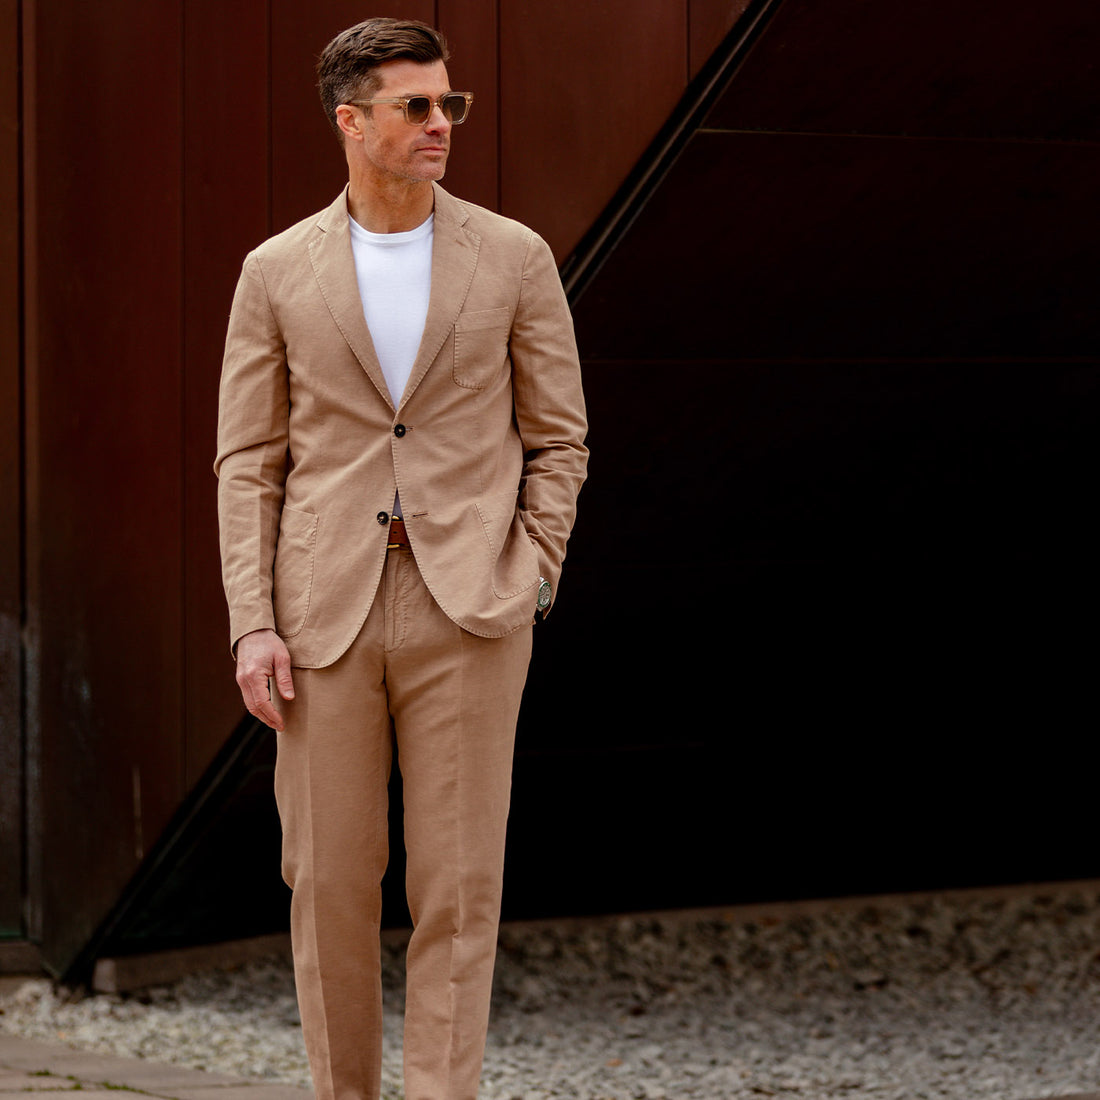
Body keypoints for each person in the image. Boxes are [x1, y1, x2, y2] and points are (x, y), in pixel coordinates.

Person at [214, 17, 588, 1100]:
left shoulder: (512, 256)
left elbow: (558, 434)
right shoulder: (275, 269)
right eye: (416, 106)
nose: (440, 124)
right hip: (319, 614)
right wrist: (252, 617)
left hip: (471, 608)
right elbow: (248, 460)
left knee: (458, 888)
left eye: (449, 105)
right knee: (326, 882)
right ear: (351, 120)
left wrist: (536, 565)